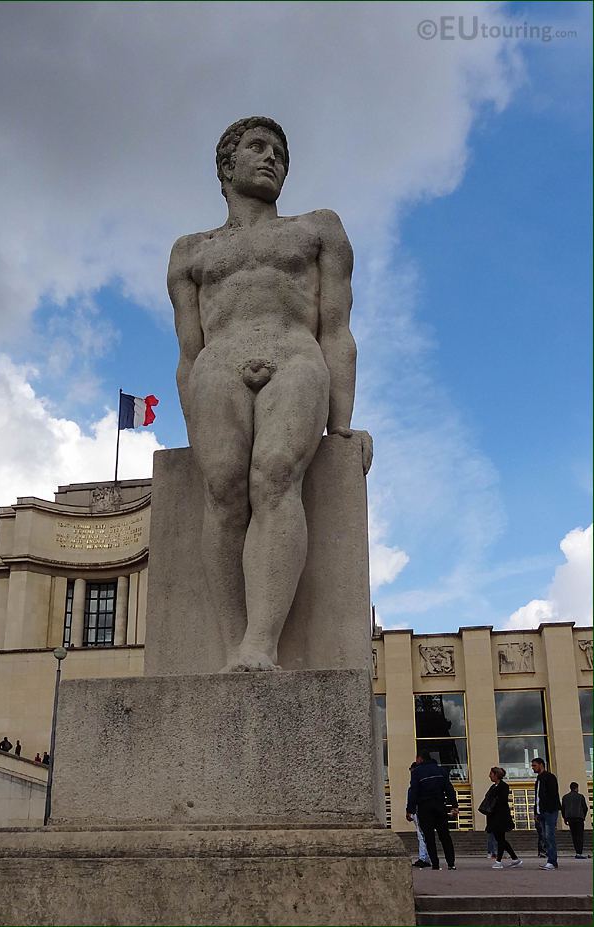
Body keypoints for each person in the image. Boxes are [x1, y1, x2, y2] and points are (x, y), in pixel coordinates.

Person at [168, 116, 371, 672]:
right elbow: (188, 352)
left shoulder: (317, 229)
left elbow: (336, 329)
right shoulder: (190, 251)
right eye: (258, 148)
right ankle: (234, 641)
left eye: (280, 151)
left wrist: (344, 427)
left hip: (294, 355)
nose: (272, 158)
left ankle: (262, 641)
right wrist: (194, 433)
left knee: (276, 474)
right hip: (220, 363)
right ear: (226, 166)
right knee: (225, 486)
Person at [406, 750, 459, 870]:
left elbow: (414, 791)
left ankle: (435, 863)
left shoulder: (417, 772)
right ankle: (451, 863)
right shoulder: (441, 771)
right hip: (440, 805)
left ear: (420, 759)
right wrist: (454, 805)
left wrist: (410, 810)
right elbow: (449, 789)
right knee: (445, 835)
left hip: (425, 807)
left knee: (429, 837)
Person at [479, 767, 522, 869]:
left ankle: (498, 861)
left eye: (491, 774)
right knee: (500, 839)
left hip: (500, 817)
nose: (489, 776)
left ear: (496, 775)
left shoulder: (503, 786)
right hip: (493, 816)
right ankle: (515, 859)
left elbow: (501, 801)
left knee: (500, 839)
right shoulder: (493, 786)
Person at [532, 757, 561, 870]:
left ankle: (552, 861)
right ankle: (551, 860)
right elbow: (537, 798)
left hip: (549, 811)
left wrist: (547, 809)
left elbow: (552, 794)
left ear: (541, 765)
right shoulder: (539, 779)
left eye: (534, 765)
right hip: (541, 812)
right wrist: (536, 812)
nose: (532, 768)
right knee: (545, 836)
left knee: (550, 836)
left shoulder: (550, 777)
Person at [407, 763, 431, 868]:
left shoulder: (415, 783)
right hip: (424, 810)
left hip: (418, 811)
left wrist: (409, 811)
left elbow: (412, 797)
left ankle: (423, 858)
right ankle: (426, 857)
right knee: (424, 834)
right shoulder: (425, 783)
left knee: (421, 835)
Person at [562, 781, 589, 859]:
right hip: (579, 818)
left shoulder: (565, 797)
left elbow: (563, 809)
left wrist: (565, 818)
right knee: (580, 836)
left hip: (570, 819)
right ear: (576, 788)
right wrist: (583, 816)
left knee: (574, 836)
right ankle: (579, 852)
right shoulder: (580, 796)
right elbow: (585, 808)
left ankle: (577, 851)